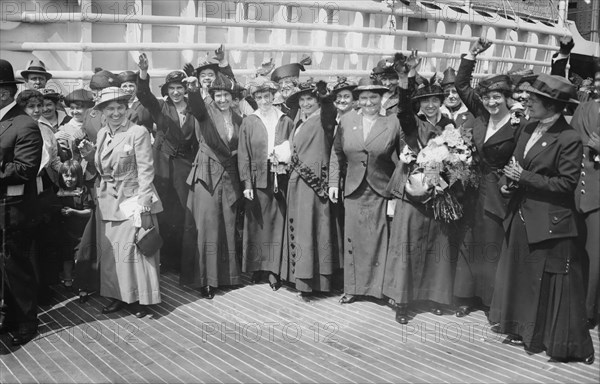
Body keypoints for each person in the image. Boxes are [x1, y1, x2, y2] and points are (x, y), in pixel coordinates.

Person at [492, 74, 594, 364]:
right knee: (525, 279)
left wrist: (523, 177)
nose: (527, 102)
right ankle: (526, 334)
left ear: (552, 105)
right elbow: (514, 166)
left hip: (551, 221)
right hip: (523, 214)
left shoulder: (569, 138)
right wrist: (506, 183)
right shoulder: (527, 127)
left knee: (550, 284)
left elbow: (565, 184)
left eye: (533, 100)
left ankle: (562, 343)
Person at [452, 38, 526, 318]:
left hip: (500, 191)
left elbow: (521, 158)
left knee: (493, 244)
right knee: (469, 241)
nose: (492, 102)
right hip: (474, 187)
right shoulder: (481, 114)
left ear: (507, 98)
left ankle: (492, 300)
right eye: (487, 97)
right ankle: (465, 296)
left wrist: (512, 183)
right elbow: (461, 85)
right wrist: (471, 54)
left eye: (497, 97)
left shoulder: (519, 124)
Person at [383, 53, 456, 324]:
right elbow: (403, 110)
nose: (430, 105)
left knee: (436, 243)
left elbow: (458, 155)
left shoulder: (450, 126)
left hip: (438, 191)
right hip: (412, 191)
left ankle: (433, 297)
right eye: (425, 101)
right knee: (407, 244)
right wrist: (405, 79)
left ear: (441, 102)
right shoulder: (413, 123)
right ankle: (402, 301)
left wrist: (449, 170)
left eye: (435, 100)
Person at [329, 77, 402, 305]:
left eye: (373, 97)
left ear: (382, 99)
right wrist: (333, 183)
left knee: (380, 240)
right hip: (353, 189)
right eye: (363, 98)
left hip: (380, 189)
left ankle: (379, 290)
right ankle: (353, 288)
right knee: (354, 240)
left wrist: (398, 191)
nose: (368, 102)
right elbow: (336, 154)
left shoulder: (393, 122)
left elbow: (402, 160)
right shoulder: (346, 120)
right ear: (357, 101)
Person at [94, 87, 163, 318]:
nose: (116, 113)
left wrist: (143, 201)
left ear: (126, 108)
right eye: (110, 108)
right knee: (114, 252)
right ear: (103, 111)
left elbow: (146, 169)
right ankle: (118, 296)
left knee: (137, 251)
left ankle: (141, 298)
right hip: (108, 200)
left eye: (120, 108)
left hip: (133, 199)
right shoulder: (103, 133)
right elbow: (104, 165)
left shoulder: (138, 132)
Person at [180, 73, 244, 299]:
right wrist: (194, 90)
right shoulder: (205, 112)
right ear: (213, 96)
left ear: (232, 96)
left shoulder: (238, 118)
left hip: (229, 176)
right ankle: (205, 280)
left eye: (227, 94)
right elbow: (196, 107)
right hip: (206, 173)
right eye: (219, 95)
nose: (223, 99)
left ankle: (226, 277)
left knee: (227, 225)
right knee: (206, 227)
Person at [137, 53, 198, 273]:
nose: (176, 92)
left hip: (184, 167)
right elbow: (144, 94)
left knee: (182, 213)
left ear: (186, 89)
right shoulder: (161, 108)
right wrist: (143, 72)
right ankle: (165, 260)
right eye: (171, 88)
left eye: (180, 88)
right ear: (167, 90)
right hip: (162, 166)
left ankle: (182, 261)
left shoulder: (194, 109)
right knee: (163, 213)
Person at [280, 79, 339, 301]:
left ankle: (312, 283)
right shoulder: (299, 123)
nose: (305, 103)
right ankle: (299, 278)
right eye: (302, 100)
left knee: (312, 230)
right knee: (301, 229)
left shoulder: (323, 119)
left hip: (314, 183)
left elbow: (330, 111)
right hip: (297, 182)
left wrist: (324, 96)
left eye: (310, 99)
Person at [0, 58, 43, 346]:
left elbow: (26, 168)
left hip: (12, 209)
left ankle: (28, 321)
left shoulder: (24, 123)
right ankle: (11, 316)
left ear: (7, 92)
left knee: (15, 265)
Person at [238, 77, 294, 290]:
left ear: (273, 97)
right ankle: (257, 267)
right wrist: (247, 184)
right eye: (259, 97)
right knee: (257, 224)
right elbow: (243, 154)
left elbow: (292, 149)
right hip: (257, 179)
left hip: (280, 178)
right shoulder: (249, 121)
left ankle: (274, 270)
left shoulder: (285, 120)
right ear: (255, 99)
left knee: (276, 224)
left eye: (267, 96)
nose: (264, 100)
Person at [571, 97, 600, 328]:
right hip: (576, 193)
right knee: (574, 252)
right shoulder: (584, 107)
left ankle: (588, 311)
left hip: (598, 197)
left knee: (594, 256)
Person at [56, 160, 93, 288]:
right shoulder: (59, 191)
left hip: (80, 232)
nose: (70, 179)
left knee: (79, 258)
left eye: (73, 176)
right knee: (67, 256)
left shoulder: (83, 191)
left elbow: (89, 211)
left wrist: (74, 212)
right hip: (65, 231)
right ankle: (67, 279)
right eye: (66, 175)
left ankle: (81, 283)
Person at [118, 70, 153, 135]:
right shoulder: (117, 105)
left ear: (136, 87)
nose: (128, 89)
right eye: (124, 86)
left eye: (131, 86)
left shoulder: (144, 104)